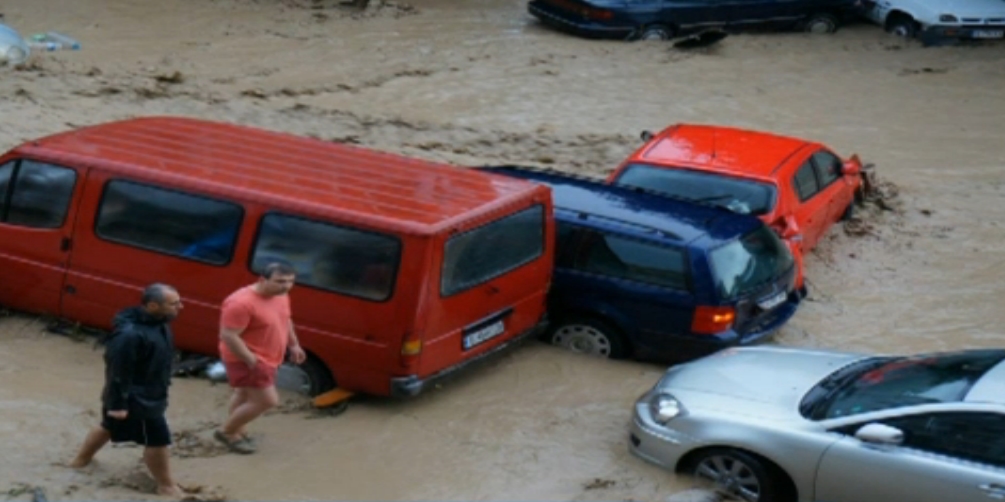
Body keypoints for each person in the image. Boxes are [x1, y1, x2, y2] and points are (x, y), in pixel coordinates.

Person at [68, 284, 184, 498]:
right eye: (174, 303)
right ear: (152, 305)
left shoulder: (160, 323)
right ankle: (166, 486)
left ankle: (80, 461)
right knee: (157, 439)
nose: (180, 307)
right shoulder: (129, 335)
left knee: (108, 426)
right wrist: (118, 405)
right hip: (136, 399)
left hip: (150, 393)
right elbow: (117, 372)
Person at [215, 261, 306, 454]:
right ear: (262, 279)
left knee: (243, 394)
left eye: (290, 281)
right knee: (267, 401)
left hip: (269, 356)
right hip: (249, 359)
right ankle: (227, 432)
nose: (286, 286)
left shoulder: (281, 295)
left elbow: (285, 319)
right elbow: (229, 335)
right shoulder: (240, 303)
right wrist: (251, 360)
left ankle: (237, 429)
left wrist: (294, 344)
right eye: (280, 281)